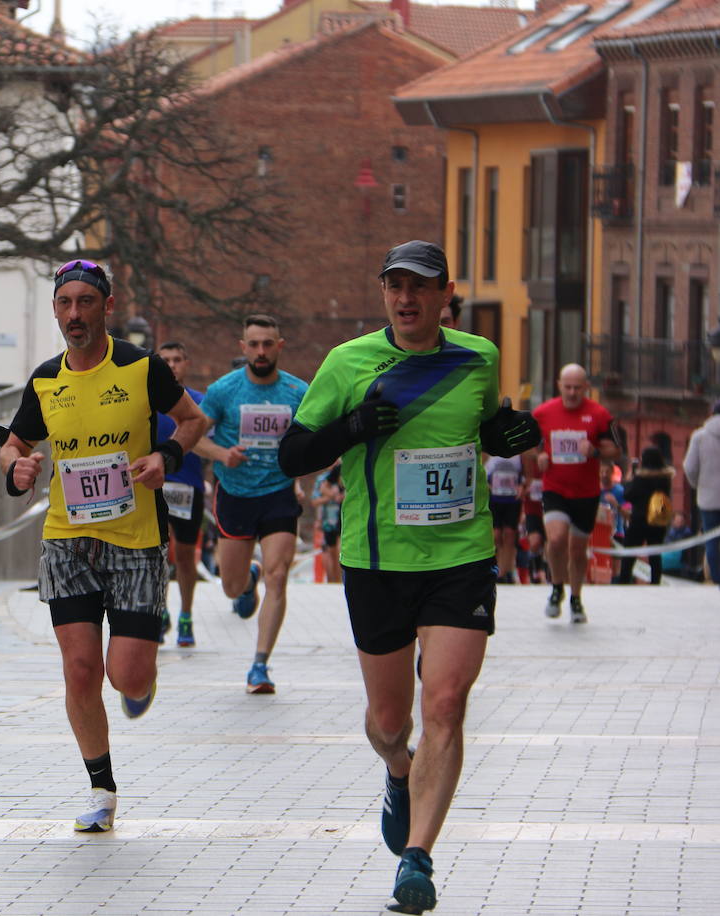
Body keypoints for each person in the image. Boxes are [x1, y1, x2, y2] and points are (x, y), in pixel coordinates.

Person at [278, 240, 539, 915]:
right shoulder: (348, 363)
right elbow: (292, 455)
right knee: (390, 722)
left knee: (445, 704)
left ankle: (418, 860)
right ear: (383, 293)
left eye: (420, 287)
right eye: (395, 286)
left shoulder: (477, 357)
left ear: (445, 293)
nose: (406, 298)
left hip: (460, 557)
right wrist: (355, 426)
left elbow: (481, 428)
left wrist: (508, 434)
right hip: (377, 560)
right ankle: (398, 768)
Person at [0, 258, 206, 833]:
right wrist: (18, 469)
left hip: (136, 541)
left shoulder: (141, 368)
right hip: (68, 540)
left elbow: (193, 420)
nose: (73, 314)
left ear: (106, 307)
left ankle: (143, 675)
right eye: (64, 304)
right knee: (80, 668)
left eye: (85, 302)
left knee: (127, 677)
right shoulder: (45, 378)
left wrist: (167, 457)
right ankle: (101, 787)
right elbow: (13, 444)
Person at [194, 314, 308, 694]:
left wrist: (300, 476)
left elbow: (311, 442)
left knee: (280, 575)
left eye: (267, 344)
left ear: (280, 346)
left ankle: (260, 665)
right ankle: (247, 582)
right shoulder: (223, 391)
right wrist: (223, 454)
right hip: (235, 495)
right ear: (243, 348)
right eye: (254, 345)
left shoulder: (297, 391)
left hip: (278, 493)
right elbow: (195, 439)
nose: (261, 352)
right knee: (230, 586)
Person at [532, 364, 620, 623]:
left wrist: (594, 451)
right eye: (567, 387)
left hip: (586, 492)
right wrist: (540, 456)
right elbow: (527, 444)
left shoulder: (600, 414)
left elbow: (616, 450)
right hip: (555, 488)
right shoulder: (543, 413)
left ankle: (576, 598)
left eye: (577, 388)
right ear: (559, 385)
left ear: (586, 388)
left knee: (578, 549)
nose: (572, 393)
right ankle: (557, 587)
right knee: (557, 539)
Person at [155, 341, 207, 647]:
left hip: (188, 487)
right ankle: (160, 611)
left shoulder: (200, 403)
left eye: (177, 360)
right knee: (158, 553)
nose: (172, 365)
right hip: (154, 485)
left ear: (187, 364)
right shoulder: (148, 402)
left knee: (186, 555)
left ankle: (186, 614)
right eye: (166, 360)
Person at [616, 447, 674, 585]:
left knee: (630, 551)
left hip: (639, 519)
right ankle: (655, 581)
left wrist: (630, 479)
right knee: (655, 552)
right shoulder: (665, 479)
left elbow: (628, 495)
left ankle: (624, 580)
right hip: (657, 520)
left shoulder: (640, 478)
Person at [683, 400, 720, 587]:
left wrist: (698, 484)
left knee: (712, 541)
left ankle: (716, 579)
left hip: (708, 499)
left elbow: (689, 467)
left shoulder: (700, 436)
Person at [484, 453, 523, 584]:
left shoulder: (520, 453)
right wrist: (486, 485)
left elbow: (528, 475)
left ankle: (505, 572)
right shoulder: (488, 451)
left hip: (512, 499)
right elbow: (480, 468)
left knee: (510, 534)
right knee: (496, 535)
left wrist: (522, 486)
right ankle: (495, 568)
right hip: (494, 498)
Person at [312, 462, 344, 584]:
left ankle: (339, 580)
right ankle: (333, 582)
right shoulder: (323, 479)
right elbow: (315, 501)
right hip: (328, 521)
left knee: (339, 550)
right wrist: (332, 497)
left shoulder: (344, 472)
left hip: (342, 519)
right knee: (329, 552)